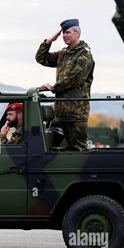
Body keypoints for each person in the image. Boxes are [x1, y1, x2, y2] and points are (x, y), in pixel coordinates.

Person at [35, 18, 95, 151]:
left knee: (79, 149)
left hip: (76, 111)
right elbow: (41, 58)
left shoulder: (84, 55)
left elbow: (75, 78)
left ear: (77, 33)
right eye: (63, 33)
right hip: (62, 111)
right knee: (66, 149)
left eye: (67, 32)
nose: (64, 36)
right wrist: (49, 41)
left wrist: (53, 87)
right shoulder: (64, 53)